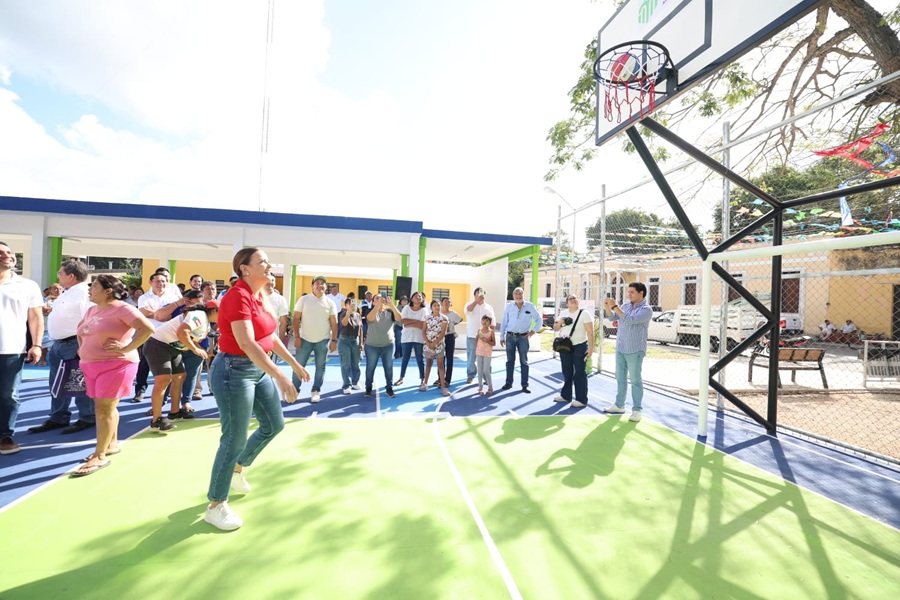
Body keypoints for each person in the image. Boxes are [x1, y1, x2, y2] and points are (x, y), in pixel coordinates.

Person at [205, 248, 310, 531]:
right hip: (234, 370)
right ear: (245, 268)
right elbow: (247, 343)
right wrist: (280, 376)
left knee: (274, 424)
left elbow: (269, 336)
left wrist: (294, 363)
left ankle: (237, 468)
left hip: (257, 368)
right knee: (233, 439)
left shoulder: (259, 295)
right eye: (262, 261)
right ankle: (215, 505)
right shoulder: (236, 296)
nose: (269, 265)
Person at [72, 275, 154, 476]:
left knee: (103, 409)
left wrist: (126, 347)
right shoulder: (92, 309)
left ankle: (99, 455)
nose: (90, 289)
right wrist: (82, 348)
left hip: (116, 365)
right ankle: (111, 444)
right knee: (106, 407)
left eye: (94, 286)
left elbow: (147, 329)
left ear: (108, 291)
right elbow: (80, 330)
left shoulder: (123, 309)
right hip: (90, 365)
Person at [28, 259, 96, 435]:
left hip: (74, 344)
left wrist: (84, 346)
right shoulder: (68, 292)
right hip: (58, 344)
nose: (57, 276)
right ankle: (58, 417)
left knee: (79, 383)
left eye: (60, 273)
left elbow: (89, 321)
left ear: (71, 276)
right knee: (57, 383)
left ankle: (88, 417)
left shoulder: (84, 294)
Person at [0, 242, 44, 455]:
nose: (7, 256)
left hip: (11, 349)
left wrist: (36, 344)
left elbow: (35, 317)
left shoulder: (27, 285)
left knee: (9, 395)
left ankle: (5, 435)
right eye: (1, 253)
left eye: (9, 252)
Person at [144, 293, 211, 430]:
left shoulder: (207, 324)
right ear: (214, 311)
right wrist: (195, 350)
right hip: (157, 344)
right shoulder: (199, 315)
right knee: (163, 379)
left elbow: (190, 338)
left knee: (180, 376)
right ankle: (156, 420)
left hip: (173, 347)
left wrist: (203, 351)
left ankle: (174, 412)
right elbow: (182, 332)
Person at [603, 282, 653, 422]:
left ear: (641, 293)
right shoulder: (625, 306)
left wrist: (614, 306)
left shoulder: (647, 310)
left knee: (635, 380)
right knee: (620, 377)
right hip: (621, 348)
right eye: (628, 291)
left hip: (635, 349)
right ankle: (619, 405)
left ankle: (637, 410)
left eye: (632, 292)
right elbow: (612, 318)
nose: (628, 294)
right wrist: (607, 307)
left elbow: (631, 320)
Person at [291, 275, 338, 403]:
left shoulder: (330, 303)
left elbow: (334, 323)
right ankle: (294, 391)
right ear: (312, 286)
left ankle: (316, 390)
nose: (320, 285)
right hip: (304, 339)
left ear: (326, 287)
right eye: (317, 283)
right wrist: (297, 337)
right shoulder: (303, 299)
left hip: (323, 340)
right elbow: (296, 319)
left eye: (322, 283)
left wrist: (334, 341)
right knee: (298, 366)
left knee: (320, 367)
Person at [553, 295, 595, 408]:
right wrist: (561, 322)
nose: (573, 300)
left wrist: (591, 348)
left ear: (578, 301)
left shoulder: (584, 313)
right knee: (567, 371)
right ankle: (566, 395)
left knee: (580, 373)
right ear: (567, 303)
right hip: (565, 346)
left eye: (575, 298)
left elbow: (590, 332)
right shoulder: (563, 313)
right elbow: (555, 328)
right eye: (570, 299)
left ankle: (581, 399)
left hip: (579, 346)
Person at [499, 287, 541, 393]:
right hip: (510, 337)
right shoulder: (509, 307)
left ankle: (525, 385)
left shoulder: (530, 306)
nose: (518, 296)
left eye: (520, 293)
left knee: (524, 361)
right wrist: (501, 336)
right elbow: (504, 322)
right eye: (516, 294)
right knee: (510, 361)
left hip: (523, 337)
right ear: (513, 296)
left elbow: (539, 319)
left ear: (523, 295)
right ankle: (508, 383)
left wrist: (533, 331)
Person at [364, 294, 401, 398]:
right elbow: (370, 318)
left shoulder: (390, 312)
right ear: (373, 302)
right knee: (370, 367)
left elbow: (399, 318)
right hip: (372, 346)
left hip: (388, 345)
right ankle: (368, 388)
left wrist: (392, 305)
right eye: (377, 298)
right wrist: (377, 306)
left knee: (388, 368)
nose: (380, 299)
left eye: (382, 298)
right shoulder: (369, 311)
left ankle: (389, 388)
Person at [395, 291, 427, 387]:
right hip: (406, 337)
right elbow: (403, 321)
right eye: (416, 296)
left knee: (420, 358)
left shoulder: (424, 310)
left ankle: (423, 379)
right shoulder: (406, 308)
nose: (418, 297)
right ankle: (401, 377)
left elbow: (423, 324)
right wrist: (416, 322)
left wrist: (410, 322)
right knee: (405, 358)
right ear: (412, 299)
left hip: (419, 337)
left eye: (420, 296)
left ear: (422, 300)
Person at [465, 288, 494, 385]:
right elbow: (468, 310)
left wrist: (490, 336)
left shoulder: (489, 307)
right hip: (472, 336)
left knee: (486, 357)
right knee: (471, 358)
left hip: (485, 338)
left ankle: (486, 377)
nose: (481, 294)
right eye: (479, 292)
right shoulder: (469, 304)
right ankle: (470, 375)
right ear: (475, 295)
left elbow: (493, 323)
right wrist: (476, 301)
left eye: (482, 292)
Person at [422, 300, 451, 397]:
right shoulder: (427, 317)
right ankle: (425, 383)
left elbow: (443, 333)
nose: (437, 307)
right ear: (431, 307)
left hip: (439, 345)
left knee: (441, 365)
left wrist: (435, 343)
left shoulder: (444, 319)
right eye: (434, 305)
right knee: (428, 364)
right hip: (428, 345)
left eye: (438, 305)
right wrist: (428, 343)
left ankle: (443, 386)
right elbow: (423, 331)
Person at [434, 297, 462, 387]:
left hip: (450, 336)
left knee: (449, 358)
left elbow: (460, 319)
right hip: (440, 337)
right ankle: (440, 378)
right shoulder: (438, 313)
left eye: (448, 302)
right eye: (445, 301)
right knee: (440, 358)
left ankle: (447, 380)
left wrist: (452, 325)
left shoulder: (453, 314)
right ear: (441, 303)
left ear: (451, 304)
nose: (446, 303)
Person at [337, 297, 363, 394]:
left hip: (355, 340)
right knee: (346, 363)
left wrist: (361, 342)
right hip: (344, 340)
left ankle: (355, 381)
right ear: (346, 305)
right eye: (350, 303)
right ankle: (346, 384)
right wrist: (348, 312)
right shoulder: (343, 314)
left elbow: (360, 329)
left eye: (353, 303)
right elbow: (344, 323)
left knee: (356, 362)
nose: (352, 305)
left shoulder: (358, 315)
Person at [475, 315, 495, 395]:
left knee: (486, 370)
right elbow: (477, 341)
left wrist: (487, 340)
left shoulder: (491, 332)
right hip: (479, 352)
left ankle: (490, 387)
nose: (484, 322)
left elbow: (493, 343)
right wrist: (477, 337)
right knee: (479, 370)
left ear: (489, 323)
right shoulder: (479, 330)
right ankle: (480, 387)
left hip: (487, 353)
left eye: (487, 321)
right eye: (483, 320)